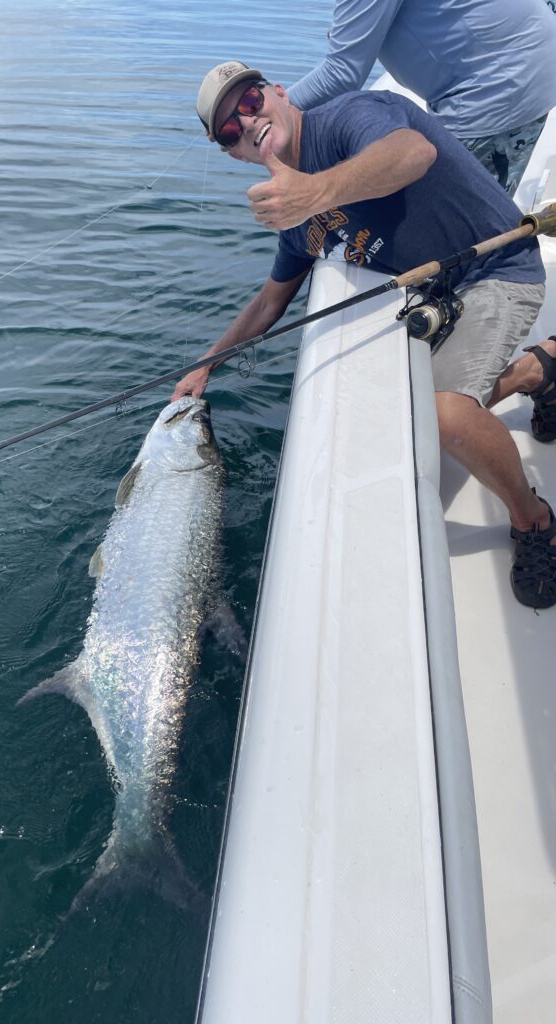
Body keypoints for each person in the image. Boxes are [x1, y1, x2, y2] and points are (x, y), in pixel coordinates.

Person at [173, 61, 556, 608]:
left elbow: (411, 153)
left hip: (495, 270)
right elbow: (270, 301)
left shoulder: (349, 117)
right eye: (230, 130)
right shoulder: (297, 217)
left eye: (251, 101)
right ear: (234, 153)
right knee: (395, 419)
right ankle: (538, 371)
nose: (246, 121)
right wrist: (207, 363)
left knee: (443, 415)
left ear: (278, 93)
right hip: (440, 296)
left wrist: (315, 192)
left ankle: (534, 521)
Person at [285, 0, 556, 196]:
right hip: (523, 65)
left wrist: (268, 110)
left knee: (448, 224)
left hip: (497, 88)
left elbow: (342, 73)